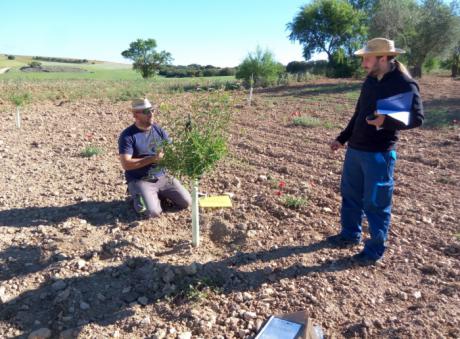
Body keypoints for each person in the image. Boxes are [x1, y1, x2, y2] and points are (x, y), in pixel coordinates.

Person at [328, 38, 424, 264]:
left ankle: (373, 251)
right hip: (355, 150)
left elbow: (417, 119)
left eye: (368, 59)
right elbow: (358, 113)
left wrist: (386, 121)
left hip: (379, 154)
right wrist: (342, 139)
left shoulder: (403, 83)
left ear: (383, 58)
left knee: (376, 203)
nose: (364, 64)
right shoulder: (370, 81)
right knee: (350, 196)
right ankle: (349, 235)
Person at [118, 98, 191, 218]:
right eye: (146, 111)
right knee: (152, 212)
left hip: (162, 175)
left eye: (152, 110)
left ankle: (157, 195)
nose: (151, 114)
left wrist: (187, 139)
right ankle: (136, 195)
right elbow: (126, 164)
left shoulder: (158, 130)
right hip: (140, 179)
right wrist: (152, 159)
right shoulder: (127, 136)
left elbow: (171, 149)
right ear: (135, 114)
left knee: (186, 202)